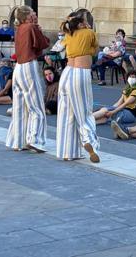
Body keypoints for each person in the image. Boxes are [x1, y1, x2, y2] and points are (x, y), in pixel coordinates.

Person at [4, 6, 49, 154]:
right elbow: (43, 44)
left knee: (19, 107)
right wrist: (39, 29)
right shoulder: (31, 27)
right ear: (28, 16)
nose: (35, 13)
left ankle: (17, 141)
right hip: (29, 66)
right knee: (36, 106)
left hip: (18, 68)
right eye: (32, 12)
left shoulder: (20, 28)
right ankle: (35, 140)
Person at [56, 11, 100, 162]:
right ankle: (89, 142)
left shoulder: (69, 34)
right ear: (81, 23)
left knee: (66, 113)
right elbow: (95, 50)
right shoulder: (89, 32)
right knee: (84, 111)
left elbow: (62, 48)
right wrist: (88, 28)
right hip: (80, 73)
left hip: (66, 73)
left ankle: (67, 151)